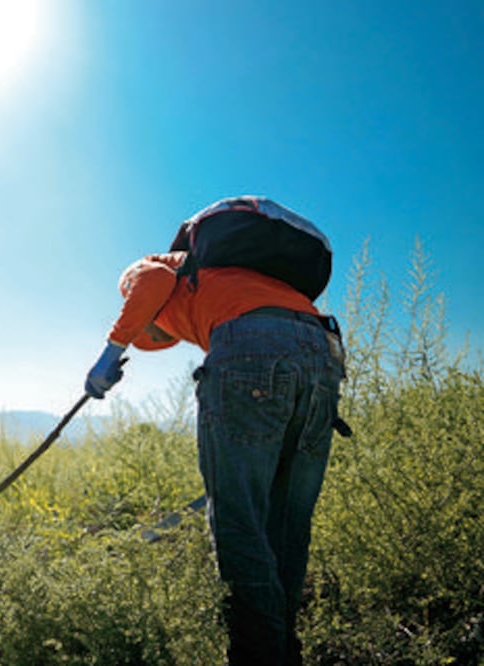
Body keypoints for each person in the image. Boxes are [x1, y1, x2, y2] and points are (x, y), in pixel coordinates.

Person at [84, 197, 347, 666]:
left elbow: (152, 281)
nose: (164, 340)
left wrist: (110, 352)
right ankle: (284, 653)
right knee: (286, 524)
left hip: (252, 346)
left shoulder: (164, 266)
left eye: (157, 335)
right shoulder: (233, 280)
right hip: (320, 348)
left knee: (238, 520)